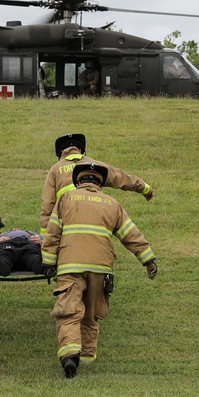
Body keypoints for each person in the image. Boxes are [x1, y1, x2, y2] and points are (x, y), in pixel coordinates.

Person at [41, 162, 159, 378]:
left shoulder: (66, 199)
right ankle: (87, 356)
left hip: (70, 265)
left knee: (68, 311)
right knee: (92, 313)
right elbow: (130, 234)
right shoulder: (112, 203)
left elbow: (52, 232)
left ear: (78, 181)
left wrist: (48, 262)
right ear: (100, 183)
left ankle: (70, 357)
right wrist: (148, 259)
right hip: (100, 267)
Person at [38, 133, 154, 235]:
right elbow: (121, 178)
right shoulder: (95, 165)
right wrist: (145, 188)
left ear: (60, 153)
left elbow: (48, 204)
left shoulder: (55, 170)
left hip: (67, 216)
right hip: (95, 213)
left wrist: (45, 235)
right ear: (81, 150)